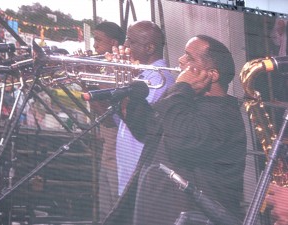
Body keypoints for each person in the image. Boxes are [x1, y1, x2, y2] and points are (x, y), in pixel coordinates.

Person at [103, 35, 246, 225]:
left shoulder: (225, 114)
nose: (180, 60)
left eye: (189, 58)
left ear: (212, 74)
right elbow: (147, 129)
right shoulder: (186, 102)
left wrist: (181, 87)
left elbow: (182, 141)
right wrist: (128, 83)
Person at [115, 20, 175, 196]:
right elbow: (115, 118)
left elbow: (140, 123)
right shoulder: (141, 74)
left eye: (131, 41)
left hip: (142, 175)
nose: (125, 45)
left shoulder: (159, 78)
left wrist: (125, 81)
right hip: (128, 173)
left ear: (149, 48)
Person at [90, 21, 126, 220]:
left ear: (113, 43)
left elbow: (112, 119)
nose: (94, 45)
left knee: (114, 211)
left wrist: (89, 86)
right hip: (107, 149)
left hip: (117, 152)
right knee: (105, 211)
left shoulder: (119, 72)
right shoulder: (106, 70)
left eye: (98, 40)